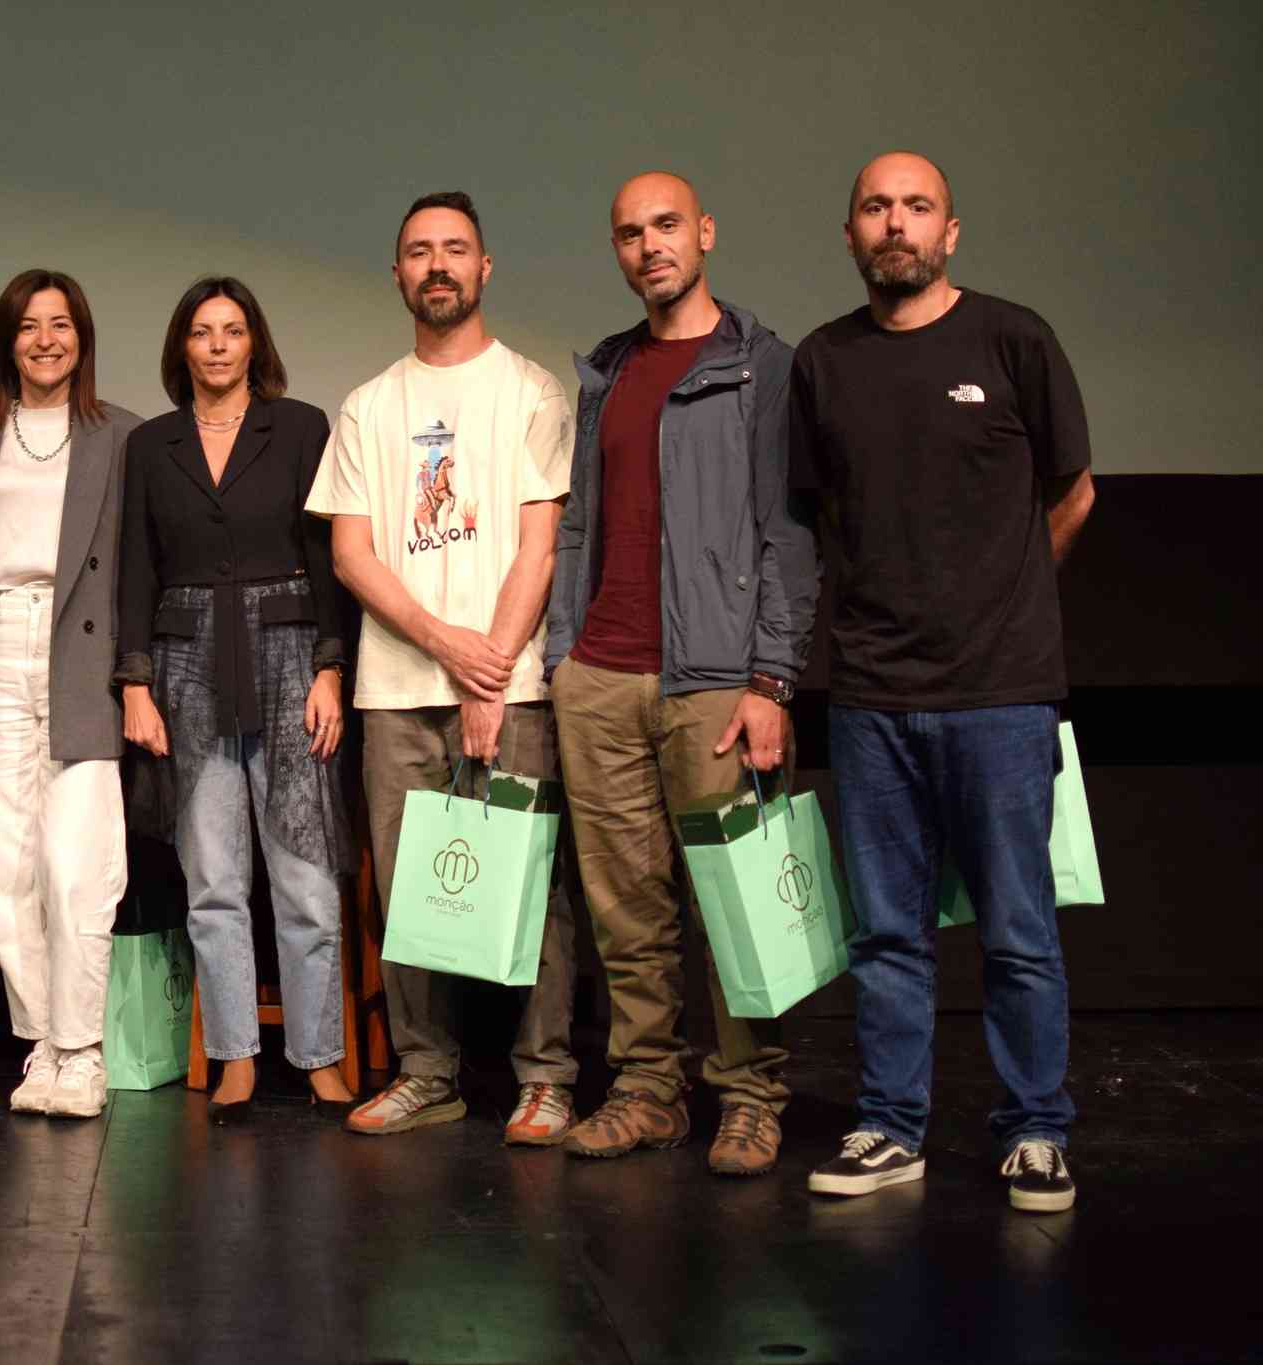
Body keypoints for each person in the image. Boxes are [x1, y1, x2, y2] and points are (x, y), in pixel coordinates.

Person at [792, 152, 1095, 1212]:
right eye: (874, 206)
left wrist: (1007, 598)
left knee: (1018, 931)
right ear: (850, 233)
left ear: (949, 232)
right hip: (872, 697)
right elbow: (816, 517)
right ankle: (890, 1126)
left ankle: (1036, 1130)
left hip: (1001, 694)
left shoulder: (1013, 339)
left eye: (915, 207)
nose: (895, 223)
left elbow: (1073, 492)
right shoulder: (823, 361)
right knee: (886, 934)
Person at [545, 173, 819, 1176]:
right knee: (627, 915)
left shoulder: (761, 366)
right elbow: (578, 525)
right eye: (629, 233)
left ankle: (749, 1096)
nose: (649, 245)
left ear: (703, 231)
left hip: (714, 681)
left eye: (665, 225)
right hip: (601, 678)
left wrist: (771, 679)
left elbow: (788, 534)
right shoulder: (608, 370)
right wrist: (562, 658)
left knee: (738, 906)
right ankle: (647, 1092)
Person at [305, 192, 579, 1142]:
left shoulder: (533, 392)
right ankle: (427, 1071)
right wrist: (446, 646)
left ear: (484, 267)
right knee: (409, 887)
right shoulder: (369, 405)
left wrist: (487, 674)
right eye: (419, 251)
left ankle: (547, 1076)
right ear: (398, 274)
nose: (437, 265)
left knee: (531, 883)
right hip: (395, 691)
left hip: (515, 685)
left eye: (454, 249)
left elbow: (540, 547)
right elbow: (352, 555)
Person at [117, 277, 356, 1122]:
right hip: (186, 662)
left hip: (290, 653)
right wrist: (135, 682)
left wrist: (331, 667)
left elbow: (327, 555)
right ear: (181, 347)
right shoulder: (151, 444)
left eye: (232, 329)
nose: (217, 345)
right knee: (213, 879)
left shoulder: (300, 428)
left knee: (305, 874)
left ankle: (321, 1055)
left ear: (255, 343)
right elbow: (136, 566)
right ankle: (235, 1058)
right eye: (201, 331)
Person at [0, 269, 139, 1119]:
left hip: (80, 649)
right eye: (28, 325)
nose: (45, 340)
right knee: (6, 863)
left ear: (82, 336)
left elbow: (135, 569)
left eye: (60, 324)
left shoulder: (121, 435)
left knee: (78, 862)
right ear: (7, 339)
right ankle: (42, 1043)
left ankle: (83, 1049)